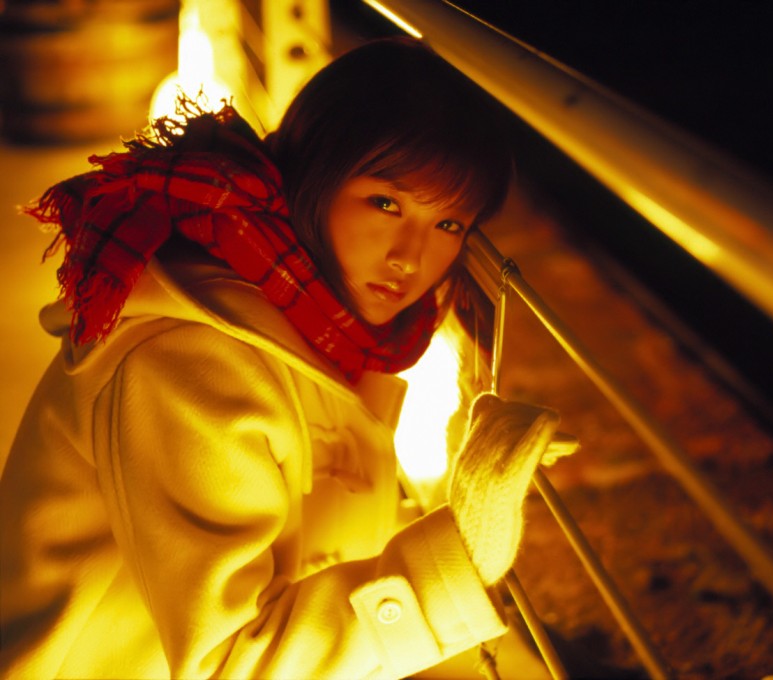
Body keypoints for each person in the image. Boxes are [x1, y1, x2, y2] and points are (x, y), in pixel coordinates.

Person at [0, 38, 569, 679]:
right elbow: (226, 661)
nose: (410, 258)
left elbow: (312, 541)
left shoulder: (315, 324)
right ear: (316, 180)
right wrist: (462, 551)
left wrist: (473, 497)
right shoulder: (191, 362)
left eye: (450, 225)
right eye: (386, 204)